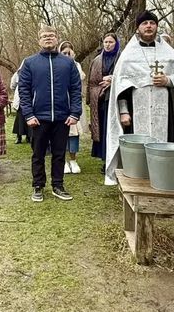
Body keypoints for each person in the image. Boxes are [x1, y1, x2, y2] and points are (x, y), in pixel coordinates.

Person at [106, 11, 174, 186]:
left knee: (165, 143)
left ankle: (164, 176)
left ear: (157, 26)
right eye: (144, 23)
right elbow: (121, 89)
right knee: (136, 148)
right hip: (137, 109)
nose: (149, 26)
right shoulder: (128, 55)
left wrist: (168, 80)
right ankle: (137, 180)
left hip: (164, 109)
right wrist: (123, 111)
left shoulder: (169, 54)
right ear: (138, 28)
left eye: (152, 23)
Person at [18, 26, 83, 202]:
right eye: (44, 36)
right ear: (39, 40)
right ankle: (38, 186)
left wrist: (75, 112)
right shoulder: (30, 62)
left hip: (62, 117)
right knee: (38, 154)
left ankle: (58, 185)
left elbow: (76, 89)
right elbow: (23, 90)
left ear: (56, 39)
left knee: (59, 153)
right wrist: (29, 114)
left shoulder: (68, 63)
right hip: (38, 118)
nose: (48, 38)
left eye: (51, 36)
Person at [88, 33, 120, 167]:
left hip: (116, 98)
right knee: (102, 128)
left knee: (113, 128)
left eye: (111, 42)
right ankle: (104, 159)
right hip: (100, 100)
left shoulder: (121, 58)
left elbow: (126, 75)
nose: (107, 45)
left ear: (116, 43)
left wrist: (113, 80)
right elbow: (91, 81)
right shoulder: (97, 60)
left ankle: (116, 158)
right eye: (106, 42)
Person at [58, 40, 87, 173]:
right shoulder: (56, 64)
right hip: (61, 104)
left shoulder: (76, 65)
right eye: (64, 53)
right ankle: (62, 161)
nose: (66, 55)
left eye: (69, 53)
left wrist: (72, 62)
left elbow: (79, 78)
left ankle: (73, 160)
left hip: (73, 104)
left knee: (73, 133)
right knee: (61, 133)